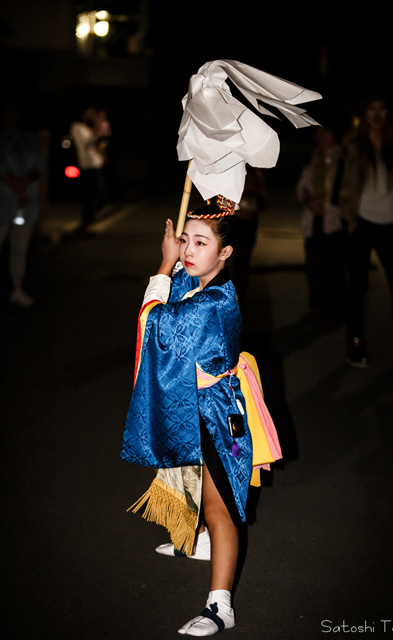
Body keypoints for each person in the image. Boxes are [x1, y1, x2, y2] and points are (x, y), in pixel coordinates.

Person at [121, 196, 281, 636]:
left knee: (221, 505)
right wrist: (174, 263)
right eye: (185, 240)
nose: (189, 250)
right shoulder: (200, 282)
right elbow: (175, 289)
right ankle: (204, 540)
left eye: (201, 242)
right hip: (205, 402)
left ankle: (220, 606)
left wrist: (163, 262)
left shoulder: (211, 302)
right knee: (203, 485)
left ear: (225, 252)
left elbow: (155, 323)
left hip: (218, 413)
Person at [340, 97, 393, 367]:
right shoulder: (354, 145)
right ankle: (355, 342)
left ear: (389, 113)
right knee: (357, 286)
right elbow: (342, 181)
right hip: (361, 223)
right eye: (371, 109)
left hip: (390, 223)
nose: (377, 114)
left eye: (382, 108)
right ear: (364, 113)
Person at [296, 125, 346, 325]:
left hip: (334, 220)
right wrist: (310, 201)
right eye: (318, 131)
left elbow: (344, 188)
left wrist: (323, 201)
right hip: (313, 220)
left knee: (334, 268)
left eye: (326, 131)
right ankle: (316, 308)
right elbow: (301, 187)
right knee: (314, 267)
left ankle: (335, 311)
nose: (322, 135)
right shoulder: (313, 158)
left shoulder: (342, 159)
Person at [0, 105, 44, 306]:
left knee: (20, 249)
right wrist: (16, 185)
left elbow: (39, 167)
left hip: (26, 203)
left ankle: (17, 288)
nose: (11, 115)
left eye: (14, 111)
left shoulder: (29, 139)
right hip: (4, 202)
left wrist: (23, 184)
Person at [70, 106, 110, 235]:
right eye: (89, 113)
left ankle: (87, 222)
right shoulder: (77, 127)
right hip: (88, 166)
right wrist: (97, 128)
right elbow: (87, 142)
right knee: (93, 195)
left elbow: (98, 143)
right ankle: (85, 224)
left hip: (96, 164)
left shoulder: (88, 128)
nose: (92, 115)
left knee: (99, 194)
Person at [230, 166, 266, 306]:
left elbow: (263, 201)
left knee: (242, 264)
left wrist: (252, 198)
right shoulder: (231, 172)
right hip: (232, 221)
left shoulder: (256, 175)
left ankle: (239, 299)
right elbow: (221, 200)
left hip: (248, 224)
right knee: (223, 263)